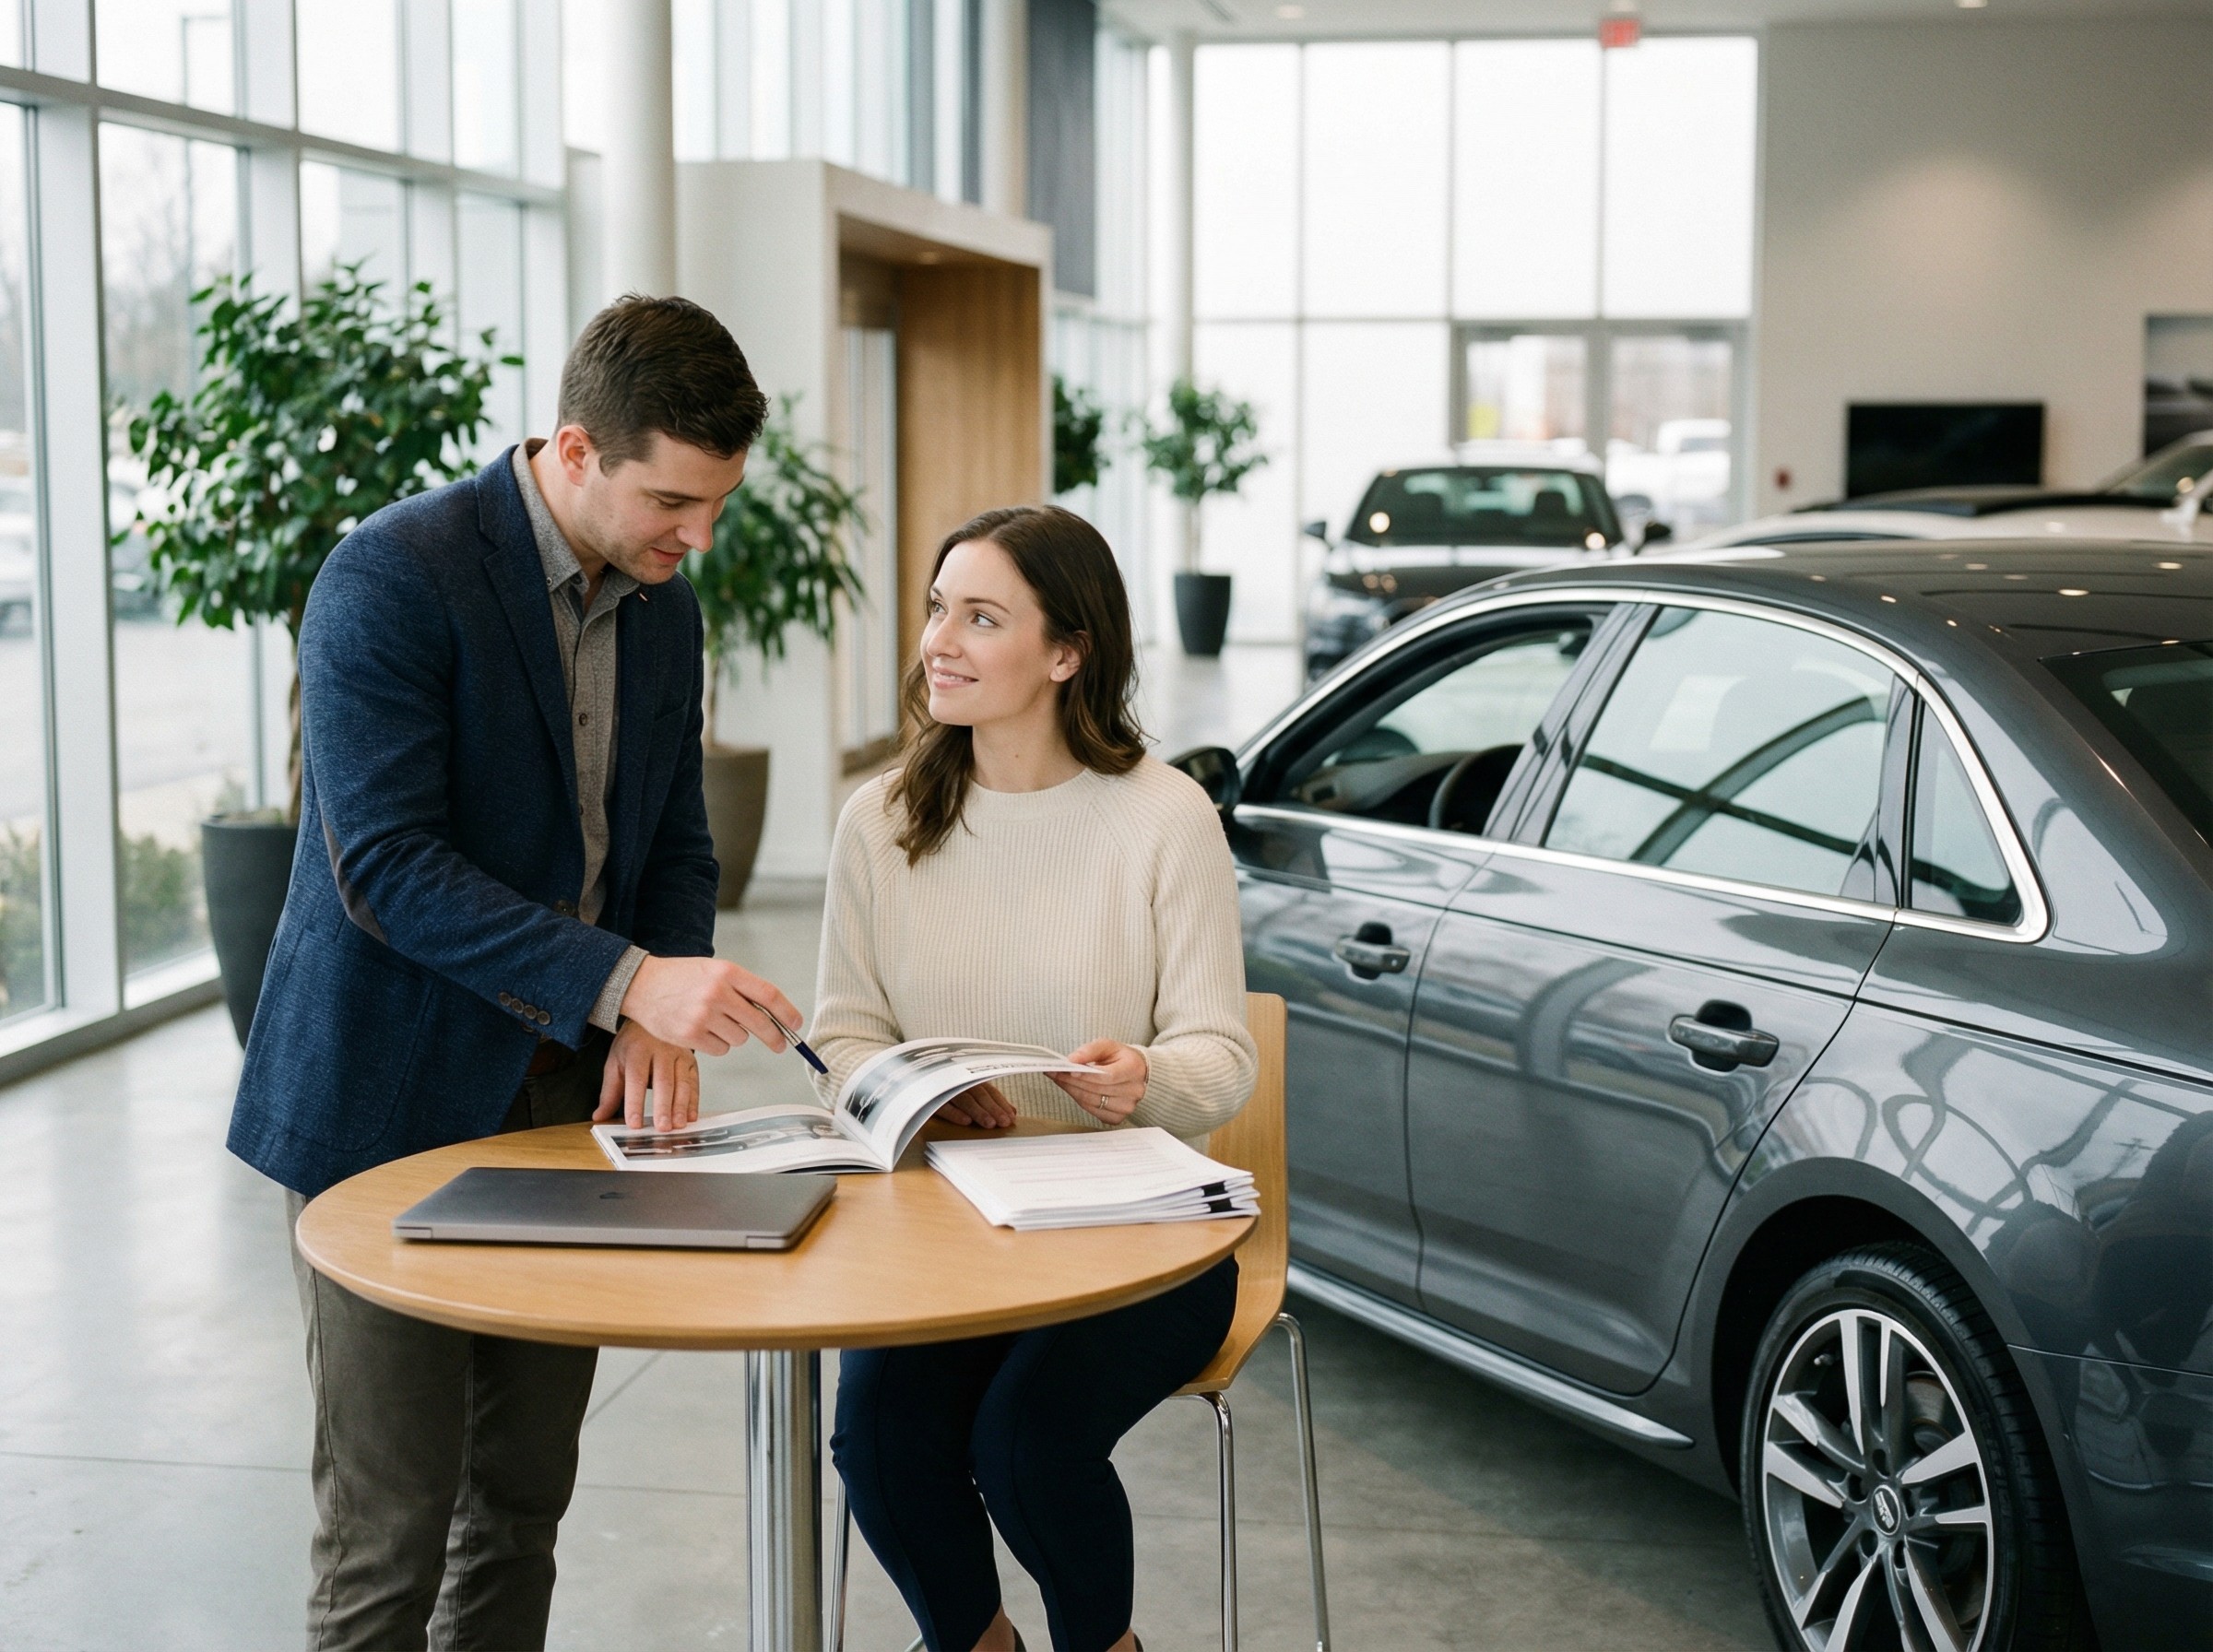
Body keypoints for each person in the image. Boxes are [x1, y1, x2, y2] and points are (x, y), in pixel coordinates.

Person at [226, 294, 808, 1652]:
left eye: (717, 505)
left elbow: (673, 832)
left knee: (523, 1502)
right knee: (391, 1527)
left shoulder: (666, 607)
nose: (698, 537)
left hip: (562, 1108)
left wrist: (662, 993)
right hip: (384, 1104)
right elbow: (385, 867)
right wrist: (626, 982)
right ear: (574, 448)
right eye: (675, 499)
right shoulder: (389, 576)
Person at [814, 504, 1260, 1652]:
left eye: (981, 617)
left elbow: (1222, 1058)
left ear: (1066, 654)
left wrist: (1144, 1076)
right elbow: (847, 1041)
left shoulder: (1166, 817)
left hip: (1146, 1234)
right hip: (948, 1228)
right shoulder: (881, 819)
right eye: (936, 609)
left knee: (1023, 1442)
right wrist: (912, 1093)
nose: (939, 642)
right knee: (877, 1440)